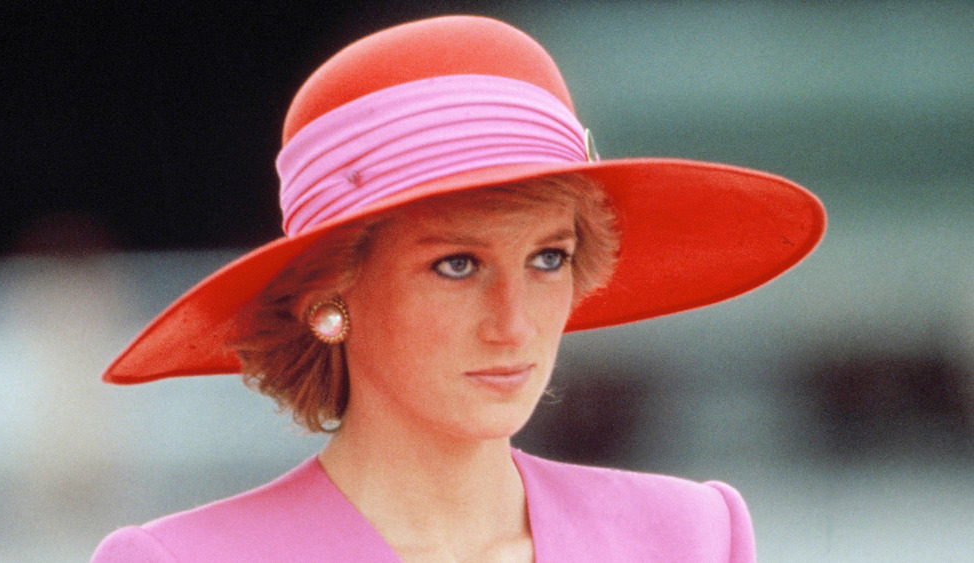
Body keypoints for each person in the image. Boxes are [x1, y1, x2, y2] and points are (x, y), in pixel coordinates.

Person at [92, 15, 825, 562]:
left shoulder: (687, 536)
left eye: (546, 259)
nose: (514, 323)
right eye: (457, 265)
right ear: (329, 295)